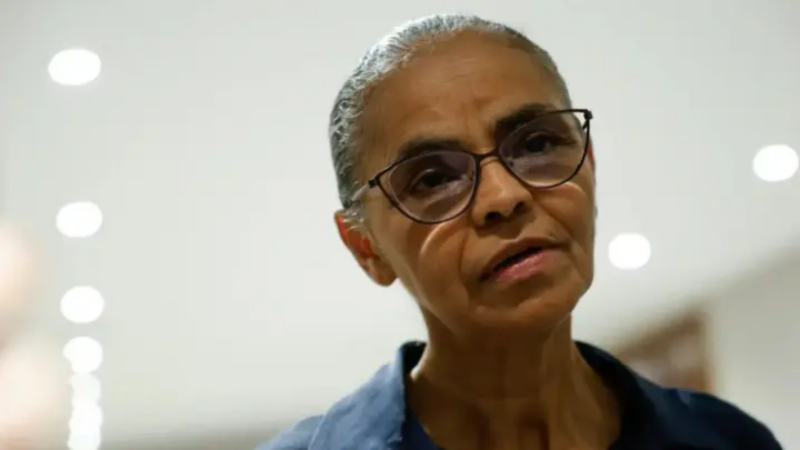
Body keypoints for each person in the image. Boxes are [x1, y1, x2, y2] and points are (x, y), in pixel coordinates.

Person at [258, 13, 782, 450]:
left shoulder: (728, 440)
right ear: (366, 248)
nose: (504, 197)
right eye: (433, 179)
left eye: (537, 145)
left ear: (588, 160)